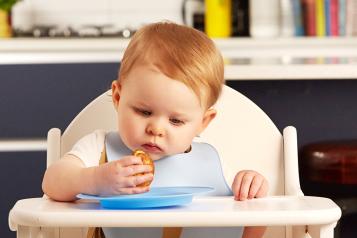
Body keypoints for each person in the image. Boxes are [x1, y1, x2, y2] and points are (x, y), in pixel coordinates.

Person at [42, 21, 268, 238]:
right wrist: (95, 179)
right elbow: (52, 182)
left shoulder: (212, 160)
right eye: (144, 112)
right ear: (118, 98)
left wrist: (252, 187)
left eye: (176, 121)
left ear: (203, 122)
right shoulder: (99, 148)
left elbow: (254, 217)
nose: (156, 129)